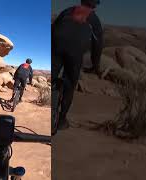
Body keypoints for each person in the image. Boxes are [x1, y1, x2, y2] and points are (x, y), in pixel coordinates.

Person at [52, 0, 103, 131]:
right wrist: (95, 65)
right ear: (95, 5)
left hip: (56, 48)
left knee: (52, 76)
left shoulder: (67, 11)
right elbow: (97, 45)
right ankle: (62, 120)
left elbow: (53, 29)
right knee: (70, 84)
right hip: (75, 53)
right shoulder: (93, 18)